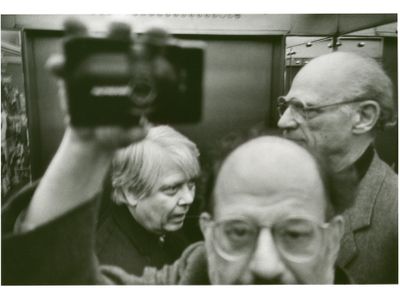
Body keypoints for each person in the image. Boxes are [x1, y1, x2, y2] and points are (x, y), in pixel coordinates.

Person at [277, 51, 398, 283]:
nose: (284, 121)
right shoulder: (278, 183)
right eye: (285, 105)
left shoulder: (394, 215)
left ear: (363, 117)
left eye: (304, 109)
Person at [95, 125, 200, 275]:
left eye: (190, 184)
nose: (189, 199)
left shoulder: (158, 221)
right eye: (172, 189)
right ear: (131, 192)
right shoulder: (112, 273)